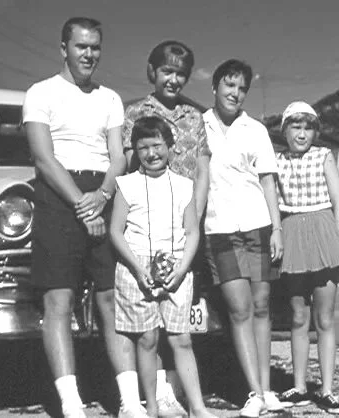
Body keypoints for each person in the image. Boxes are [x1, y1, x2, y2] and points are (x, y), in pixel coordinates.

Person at [23, 17, 130, 418]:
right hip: (57, 196)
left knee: (111, 299)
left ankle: (130, 399)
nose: (89, 54)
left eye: (95, 47)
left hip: (102, 191)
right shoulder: (40, 93)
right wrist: (82, 205)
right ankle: (71, 404)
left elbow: (118, 154)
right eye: (81, 46)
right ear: (63, 47)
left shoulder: (111, 98)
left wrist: (102, 195)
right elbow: (43, 158)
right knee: (59, 301)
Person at [122, 40, 210, 417]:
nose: (173, 79)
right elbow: (128, 165)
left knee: (180, 325)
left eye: (181, 73)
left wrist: (196, 215)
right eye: (167, 71)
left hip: (185, 226)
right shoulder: (135, 112)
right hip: (147, 228)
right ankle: (156, 397)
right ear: (152, 72)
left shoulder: (195, 116)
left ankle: (179, 395)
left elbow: (203, 169)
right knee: (147, 328)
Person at [110, 115, 217, 418]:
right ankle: (152, 407)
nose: (151, 153)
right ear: (135, 152)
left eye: (157, 145)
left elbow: (193, 231)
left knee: (181, 339)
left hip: (177, 267)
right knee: (146, 338)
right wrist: (138, 268)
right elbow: (116, 231)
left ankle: (197, 407)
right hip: (135, 267)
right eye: (143, 147)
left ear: (170, 147)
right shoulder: (126, 184)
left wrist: (181, 269)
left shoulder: (185, 186)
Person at [201, 59, 284, 418]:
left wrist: (277, 229)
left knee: (262, 307)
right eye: (228, 85)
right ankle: (253, 391)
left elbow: (268, 181)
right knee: (240, 309)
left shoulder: (256, 129)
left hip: (258, 225)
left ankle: (267, 389)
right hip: (219, 229)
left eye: (241, 88)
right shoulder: (199, 126)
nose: (235, 93)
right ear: (215, 87)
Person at [275, 101, 339, 414]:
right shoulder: (276, 160)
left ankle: (326, 388)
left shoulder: (324, 156)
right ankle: (299, 385)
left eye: (308, 127)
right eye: (295, 127)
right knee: (298, 316)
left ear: (316, 130)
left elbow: (338, 199)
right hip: (291, 231)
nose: (302, 134)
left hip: (323, 230)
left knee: (325, 317)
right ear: (285, 130)